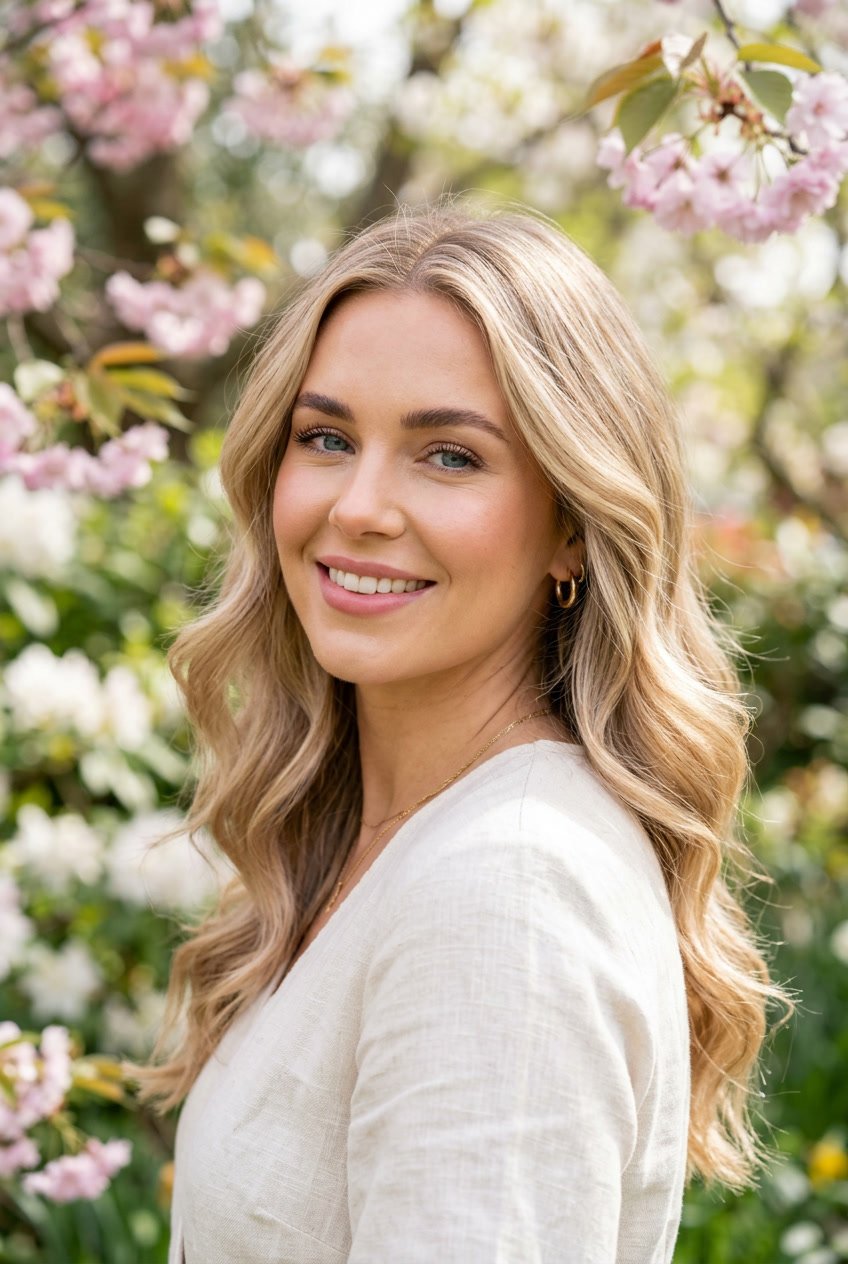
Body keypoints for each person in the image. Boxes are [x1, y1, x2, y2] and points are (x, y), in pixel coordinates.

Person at [124, 197, 793, 1263]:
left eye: (447, 456)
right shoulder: (392, 836)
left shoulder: (504, 897)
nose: (359, 506)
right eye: (326, 437)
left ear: (571, 523)